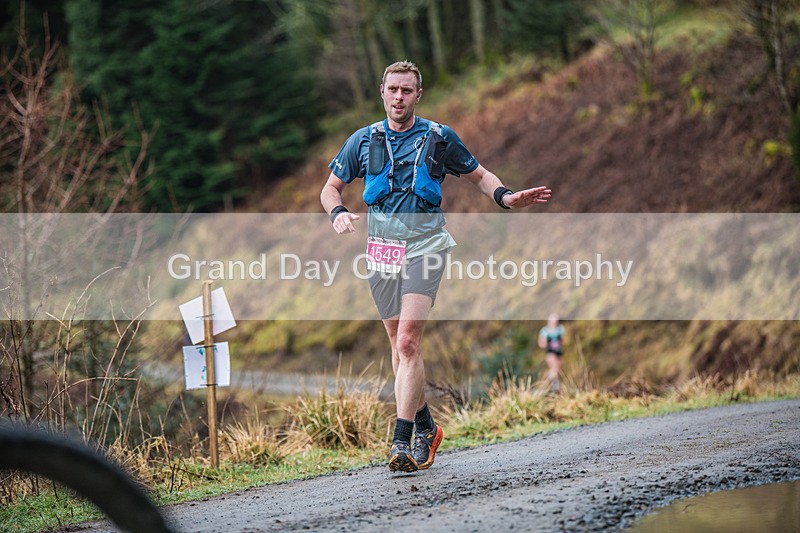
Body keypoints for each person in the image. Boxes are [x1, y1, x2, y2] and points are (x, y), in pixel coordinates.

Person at [320, 60, 551, 473]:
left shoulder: (439, 137)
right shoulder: (363, 139)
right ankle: (428, 428)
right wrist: (337, 213)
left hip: (427, 245)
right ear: (382, 91)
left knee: (408, 342)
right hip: (382, 249)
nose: (399, 97)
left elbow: (480, 176)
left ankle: (401, 442)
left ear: (418, 95)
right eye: (393, 89)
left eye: (407, 91)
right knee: (398, 347)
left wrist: (506, 197)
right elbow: (330, 188)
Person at [538, 313, 565, 392]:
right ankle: (553, 385)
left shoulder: (560, 329)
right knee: (555, 368)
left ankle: (549, 383)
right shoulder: (545, 331)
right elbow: (541, 343)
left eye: (556, 322)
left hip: (558, 352)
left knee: (557, 370)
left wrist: (559, 342)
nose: (555, 323)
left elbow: (563, 340)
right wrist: (547, 342)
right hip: (550, 352)